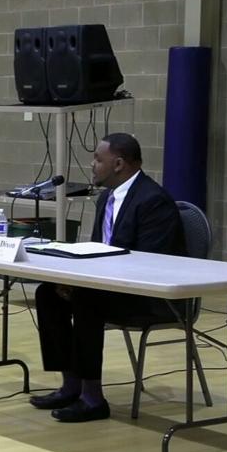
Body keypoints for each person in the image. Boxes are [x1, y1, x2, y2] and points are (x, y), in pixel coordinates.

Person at [29, 133, 186, 422]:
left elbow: (151, 263)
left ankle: (93, 398)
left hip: (149, 296)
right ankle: (71, 384)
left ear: (118, 164)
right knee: (48, 293)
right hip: (110, 287)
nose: (92, 164)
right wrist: (73, 279)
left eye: (98, 159)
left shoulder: (153, 201)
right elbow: (98, 250)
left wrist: (89, 284)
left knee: (87, 299)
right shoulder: (106, 198)